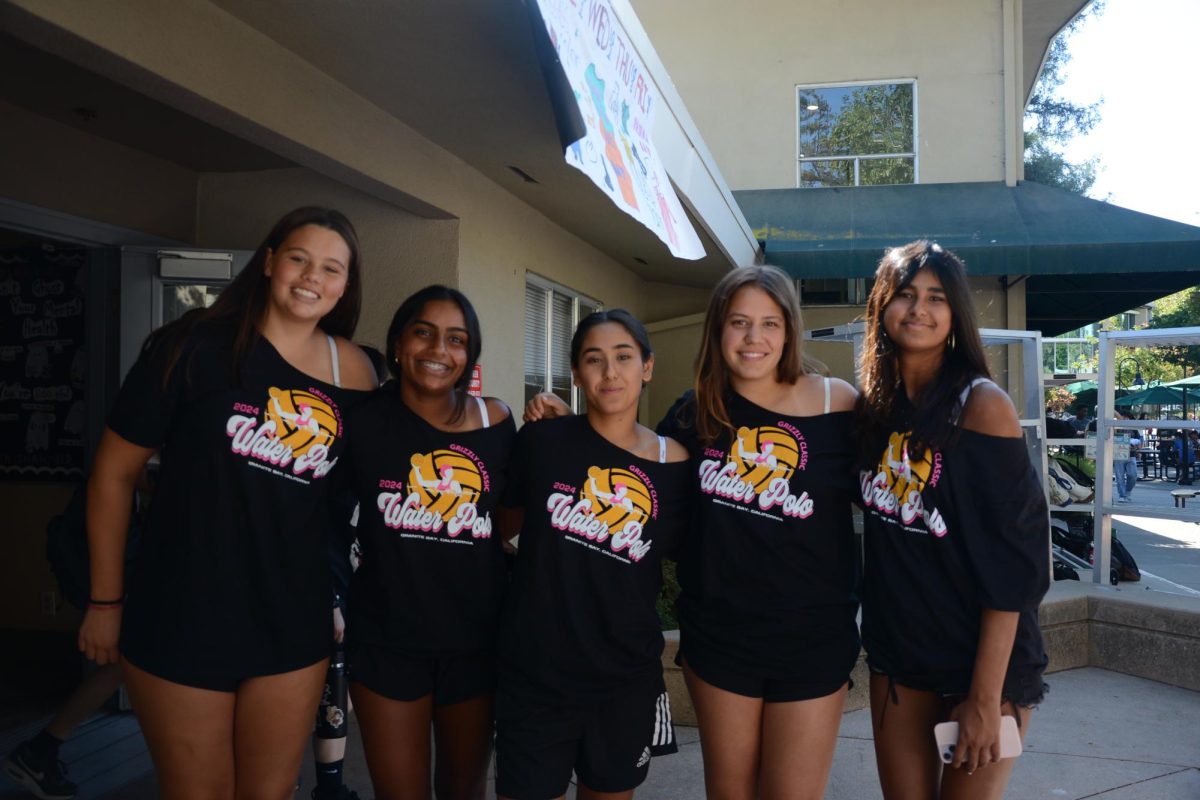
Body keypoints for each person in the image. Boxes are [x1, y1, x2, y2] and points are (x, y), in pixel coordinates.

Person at [77, 207, 377, 798]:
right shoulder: (190, 346)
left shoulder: (358, 372)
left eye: (331, 268)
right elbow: (113, 474)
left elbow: (373, 483)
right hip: (182, 613)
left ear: (345, 285)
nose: (312, 277)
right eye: (298, 258)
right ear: (268, 262)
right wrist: (105, 600)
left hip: (292, 621)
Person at [529, 268, 861, 799]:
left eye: (769, 323)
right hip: (721, 637)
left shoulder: (836, 403)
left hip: (813, 640)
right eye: (739, 322)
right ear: (717, 331)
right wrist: (573, 426)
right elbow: (636, 471)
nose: (754, 338)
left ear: (790, 330)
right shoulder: (693, 412)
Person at [856, 241, 1049, 800]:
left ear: (955, 315)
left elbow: (1016, 567)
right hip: (899, 655)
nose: (919, 308)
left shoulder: (983, 405)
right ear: (882, 308)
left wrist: (985, 699)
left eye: (936, 297)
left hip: (983, 664)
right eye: (905, 294)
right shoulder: (873, 411)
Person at [498, 309, 689, 800]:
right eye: (594, 359)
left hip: (623, 680)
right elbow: (501, 527)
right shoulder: (542, 441)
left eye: (624, 357)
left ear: (647, 366)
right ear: (577, 374)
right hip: (537, 674)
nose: (610, 372)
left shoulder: (675, 464)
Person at [343, 286, 515, 800]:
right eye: (425, 333)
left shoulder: (497, 420)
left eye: (456, 340)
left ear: (469, 355)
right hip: (385, 638)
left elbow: (503, 522)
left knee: (464, 790)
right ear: (398, 343)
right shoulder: (362, 420)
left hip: (476, 641)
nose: (440, 350)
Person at [1113, 412, 1141, 504]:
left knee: (1133, 475)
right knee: (1119, 477)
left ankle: (1128, 491)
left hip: (1131, 454)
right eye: (1122, 417)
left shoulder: (1134, 428)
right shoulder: (1116, 427)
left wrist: (1137, 447)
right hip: (1118, 454)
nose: (1124, 419)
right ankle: (1122, 495)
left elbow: (1139, 440)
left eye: (1126, 418)